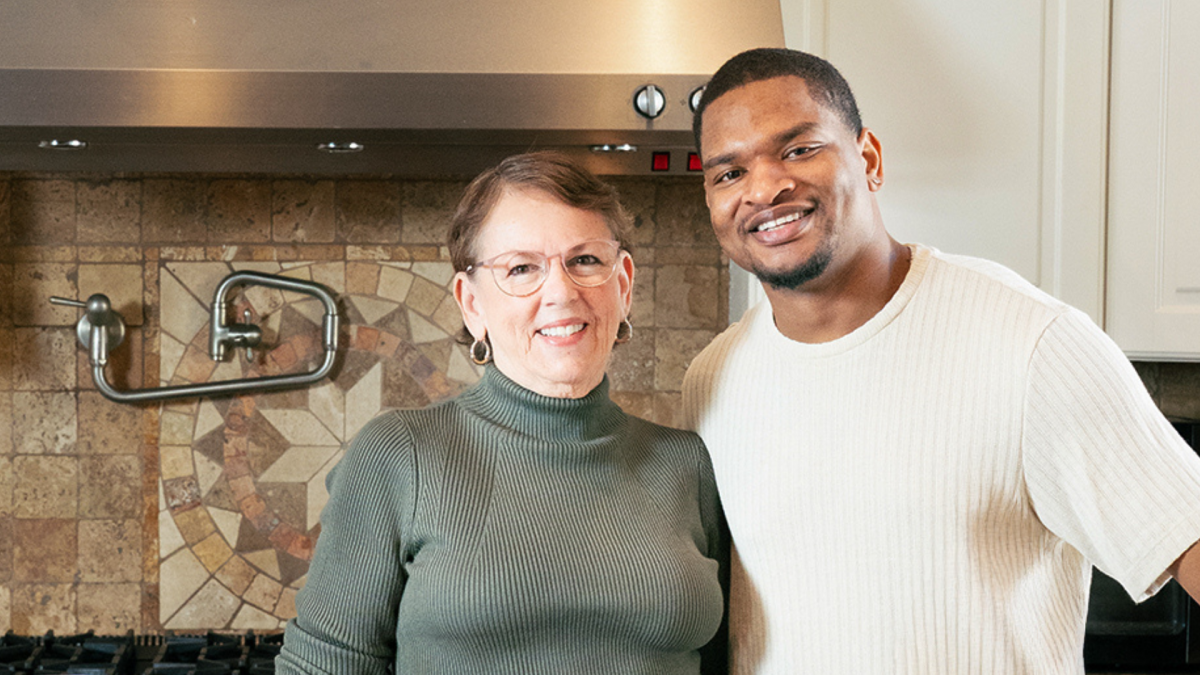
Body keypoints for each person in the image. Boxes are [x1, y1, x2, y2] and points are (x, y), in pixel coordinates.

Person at [681, 47, 1200, 674]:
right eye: (728, 173)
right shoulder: (712, 379)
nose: (764, 188)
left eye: (798, 150)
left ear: (868, 158)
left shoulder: (1033, 343)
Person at [278, 151, 727, 674]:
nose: (561, 291)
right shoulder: (399, 455)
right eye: (521, 268)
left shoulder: (687, 464)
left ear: (623, 284)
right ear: (472, 303)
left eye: (585, 260)